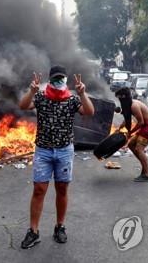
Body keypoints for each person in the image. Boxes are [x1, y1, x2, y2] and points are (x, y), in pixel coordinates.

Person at [18, 65, 95, 249]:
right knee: (39, 190)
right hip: (43, 151)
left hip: (64, 151)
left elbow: (90, 112)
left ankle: (60, 227)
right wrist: (32, 91)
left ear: (65, 81)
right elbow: (23, 106)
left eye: (61, 79)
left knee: (62, 189)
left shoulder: (72, 100)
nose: (58, 82)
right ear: (50, 80)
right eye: (55, 79)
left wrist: (82, 93)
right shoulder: (41, 97)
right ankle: (33, 231)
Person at [115, 87, 148, 182]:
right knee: (131, 145)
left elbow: (141, 122)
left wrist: (130, 132)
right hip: (145, 127)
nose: (120, 101)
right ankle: (146, 165)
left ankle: (147, 173)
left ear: (124, 97)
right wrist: (119, 128)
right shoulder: (129, 104)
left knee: (139, 149)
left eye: (120, 98)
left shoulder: (134, 105)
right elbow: (126, 118)